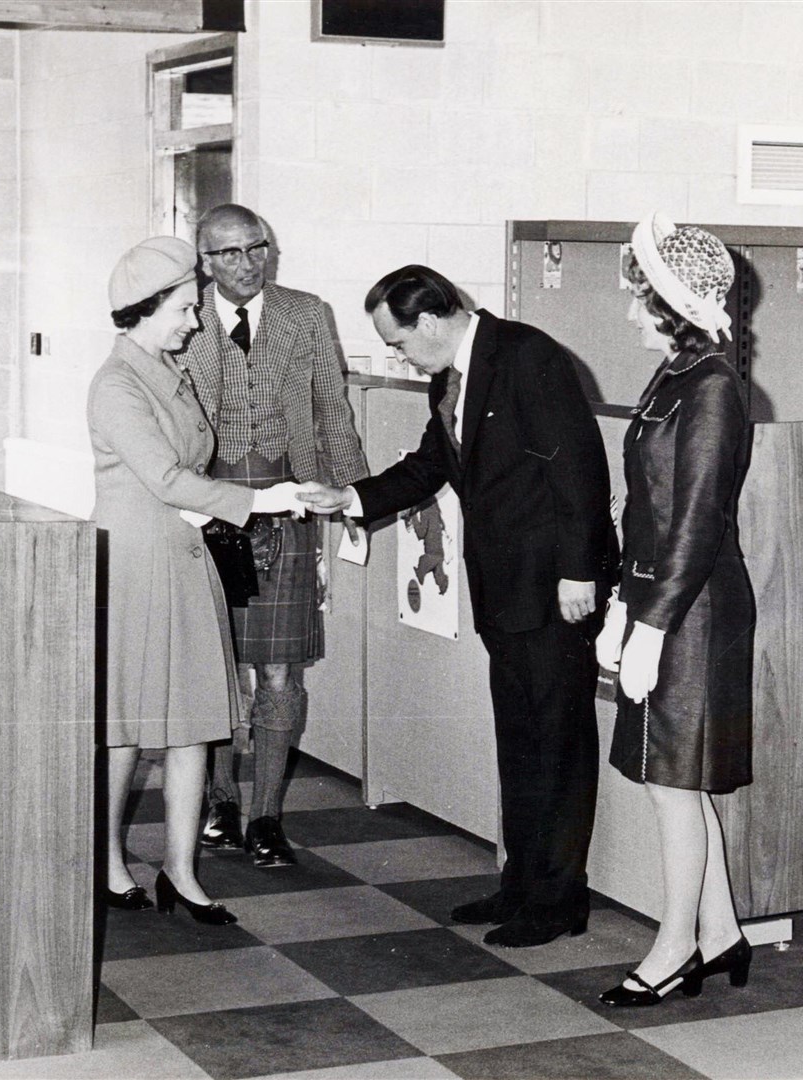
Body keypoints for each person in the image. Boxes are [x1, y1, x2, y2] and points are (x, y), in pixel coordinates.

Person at [297, 265, 618, 947]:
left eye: (399, 343)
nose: (397, 357)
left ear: (434, 323)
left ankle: (559, 902)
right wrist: (350, 499)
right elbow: (430, 465)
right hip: (503, 589)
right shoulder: (451, 377)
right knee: (521, 740)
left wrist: (578, 572)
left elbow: (580, 468)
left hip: (554, 589)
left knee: (558, 743)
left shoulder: (529, 357)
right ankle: (522, 884)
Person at [88, 236, 306, 923]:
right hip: (136, 564)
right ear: (146, 310)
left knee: (193, 723)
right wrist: (263, 499)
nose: (195, 321)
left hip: (186, 556)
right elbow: (160, 475)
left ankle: (181, 872)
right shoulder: (117, 384)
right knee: (124, 724)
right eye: (185, 308)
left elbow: (187, 475)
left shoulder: (167, 369)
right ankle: (107, 860)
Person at [595, 213, 755, 1006]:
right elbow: (646, 511)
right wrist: (626, 604)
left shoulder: (716, 386)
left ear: (675, 302)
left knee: (671, 784)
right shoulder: (678, 376)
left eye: (639, 297)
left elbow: (696, 520)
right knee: (676, 779)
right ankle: (721, 935)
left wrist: (653, 622)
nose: (629, 312)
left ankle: (674, 949)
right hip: (665, 597)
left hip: (695, 608)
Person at [182, 204, 369, 867]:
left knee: (280, 672)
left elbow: (332, 411)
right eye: (227, 253)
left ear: (270, 248)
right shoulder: (181, 318)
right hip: (205, 514)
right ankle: (219, 803)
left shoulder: (307, 314)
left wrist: (355, 500)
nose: (245, 262)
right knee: (213, 668)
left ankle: (266, 817)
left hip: (288, 510)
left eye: (255, 247)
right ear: (203, 260)